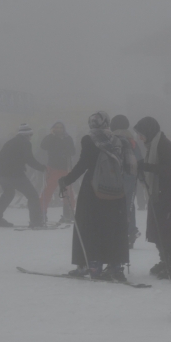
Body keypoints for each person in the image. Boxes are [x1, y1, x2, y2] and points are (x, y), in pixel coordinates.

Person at [58, 111, 129, 281]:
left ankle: (91, 264)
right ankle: (115, 265)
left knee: (89, 225)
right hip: (116, 190)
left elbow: (84, 164)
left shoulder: (90, 140)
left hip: (94, 189)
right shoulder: (119, 141)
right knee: (112, 226)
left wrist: (66, 180)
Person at [134, 116, 171, 278]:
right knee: (158, 231)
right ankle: (165, 261)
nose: (140, 138)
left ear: (149, 131)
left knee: (167, 232)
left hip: (166, 195)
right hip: (157, 195)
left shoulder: (163, 145)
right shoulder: (153, 145)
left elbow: (170, 170)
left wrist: (146, 167)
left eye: (141, 134)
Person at [0, 124, 45, 227]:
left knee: (8, 194)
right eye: (30, 134)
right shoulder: (25, 143)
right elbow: (30, 160)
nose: (31, 137)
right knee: (32, 196)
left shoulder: (10, 142)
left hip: (1, 174)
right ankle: (36, 222)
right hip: (15, 174)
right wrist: (43, 168)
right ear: (26, 134)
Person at [110, 115, 144, 248]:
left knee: (114, 204)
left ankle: (117, 232)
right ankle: (130, 231)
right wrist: (141, 177)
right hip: (130, 176)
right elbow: (139, 158)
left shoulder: (111, 139)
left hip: (114, 177)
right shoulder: (132, 140)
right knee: (129, 204)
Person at [39, 121, 77, 223]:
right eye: (57, 127)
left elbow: (73, 151)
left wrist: (65, 152)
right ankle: (41, 213)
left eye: (61, 127)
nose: (59, 129)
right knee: (48, 191)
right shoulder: (51, 138)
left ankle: (68, 213)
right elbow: (43, 146)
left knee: (68, 192)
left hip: (66, 168)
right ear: (53, 129)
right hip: (53, 168)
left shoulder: (68, 139)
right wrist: (51, 135)